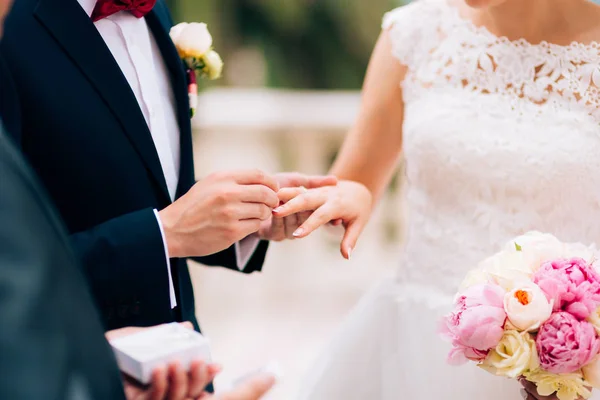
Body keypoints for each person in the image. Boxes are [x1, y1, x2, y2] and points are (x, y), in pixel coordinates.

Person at [273, 0, 600, 399]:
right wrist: (336, 200)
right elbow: (349, 184)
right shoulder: (412, 34)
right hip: (417, 342)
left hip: (569, 359)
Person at [0, 0, 336, 333]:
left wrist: (246, 212)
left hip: (188, 357)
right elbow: (13, 267)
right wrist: (166, 233)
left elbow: (147, 188)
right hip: (76, 364)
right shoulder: (9, 28)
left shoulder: (156, 12)